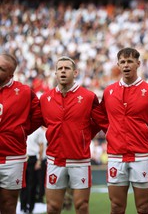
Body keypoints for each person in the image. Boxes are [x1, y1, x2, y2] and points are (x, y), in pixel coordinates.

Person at [93, 47, 148, 214]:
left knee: (144, 207)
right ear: (118, 64)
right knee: (116, 207)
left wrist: (144, 125)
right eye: (123, 62)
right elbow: (100, 115)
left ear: (138, 63)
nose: (126, 65)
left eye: (130, 61)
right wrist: (110, 129)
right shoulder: (109, 91)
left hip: (141, 155)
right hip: (116, 155)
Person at [40, 56, 101, 214]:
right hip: (55, 159)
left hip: (79, 159)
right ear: (55, 73)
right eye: (60, 69)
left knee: (81, 206)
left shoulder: (88, 97)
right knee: (52, 207)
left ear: (75, 73)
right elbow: (41, 122)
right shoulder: (46, 98)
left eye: (66, 68)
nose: (63, 71)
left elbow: (99, 122)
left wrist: (83, 135)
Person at [0, 53, 42, 214]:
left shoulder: (24, 92)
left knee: (9, 204)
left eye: (1, 69)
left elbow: (38, 116)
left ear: (10, 74)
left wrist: (22, 131)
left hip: (12, 157)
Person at [20, 126, 45, 214]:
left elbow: (41, 145)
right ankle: (23, 206)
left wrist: (39, 160)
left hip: (33, 158)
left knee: (32, 184)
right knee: (22, 184)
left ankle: (30, 207)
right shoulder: (23, 127)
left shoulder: (38, 130)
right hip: (23, 157)